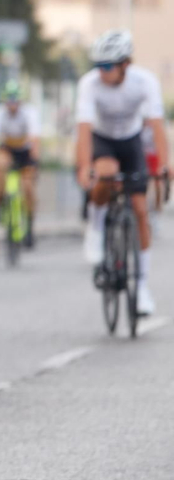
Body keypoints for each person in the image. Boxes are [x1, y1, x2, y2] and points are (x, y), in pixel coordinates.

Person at [76, 29, 169, 315]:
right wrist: (83, 168)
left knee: (141, 210)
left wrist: (166, 164)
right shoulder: (89, 84)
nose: (101, 72)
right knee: (105, 172)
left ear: (126, 64)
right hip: (103, 139)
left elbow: (156, 125)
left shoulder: (145, 82)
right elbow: (84, 130)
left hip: (131, 141)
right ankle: (95, 226)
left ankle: (140, 288)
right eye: (98, 66)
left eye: (107, 66)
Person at [0, 79, 41, 238]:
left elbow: (35, 140)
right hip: (7, 150)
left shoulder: (30, 113)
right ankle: (1, 204)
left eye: (15, 100)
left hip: (25, 152)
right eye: (9, 100)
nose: (12, 104)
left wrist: (35, 161)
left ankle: (29, 225)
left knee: (28, 187)